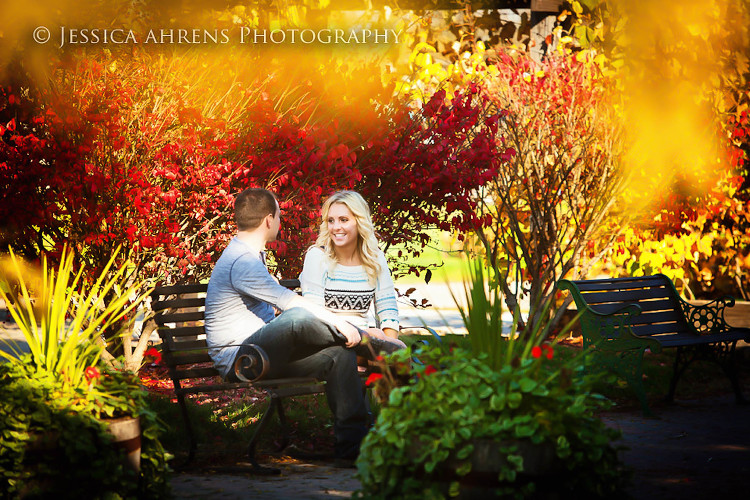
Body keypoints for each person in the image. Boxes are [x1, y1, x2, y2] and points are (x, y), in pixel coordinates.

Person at [204, 188, 368, 461]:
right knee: (298, 318)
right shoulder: (241, 260)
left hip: (264, 354)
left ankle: (353, 451)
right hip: (242, 359)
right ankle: (370, 342)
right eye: (279, 216)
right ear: (269, 220)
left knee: (339, 355)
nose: (280, 221)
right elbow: (289, 303)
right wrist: (343, 324)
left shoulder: (250, 253)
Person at [299, 191, 406, 354]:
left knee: (400, 348)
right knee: (377, 336)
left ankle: (375, 367)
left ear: (359, 221)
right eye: (331, 220)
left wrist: (389, 345)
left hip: (364, 342)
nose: (336, 227)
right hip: (327, 341)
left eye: (344, 220)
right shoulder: (318, 257)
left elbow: (387, 306)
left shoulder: (374, 258)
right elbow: (316, 316)